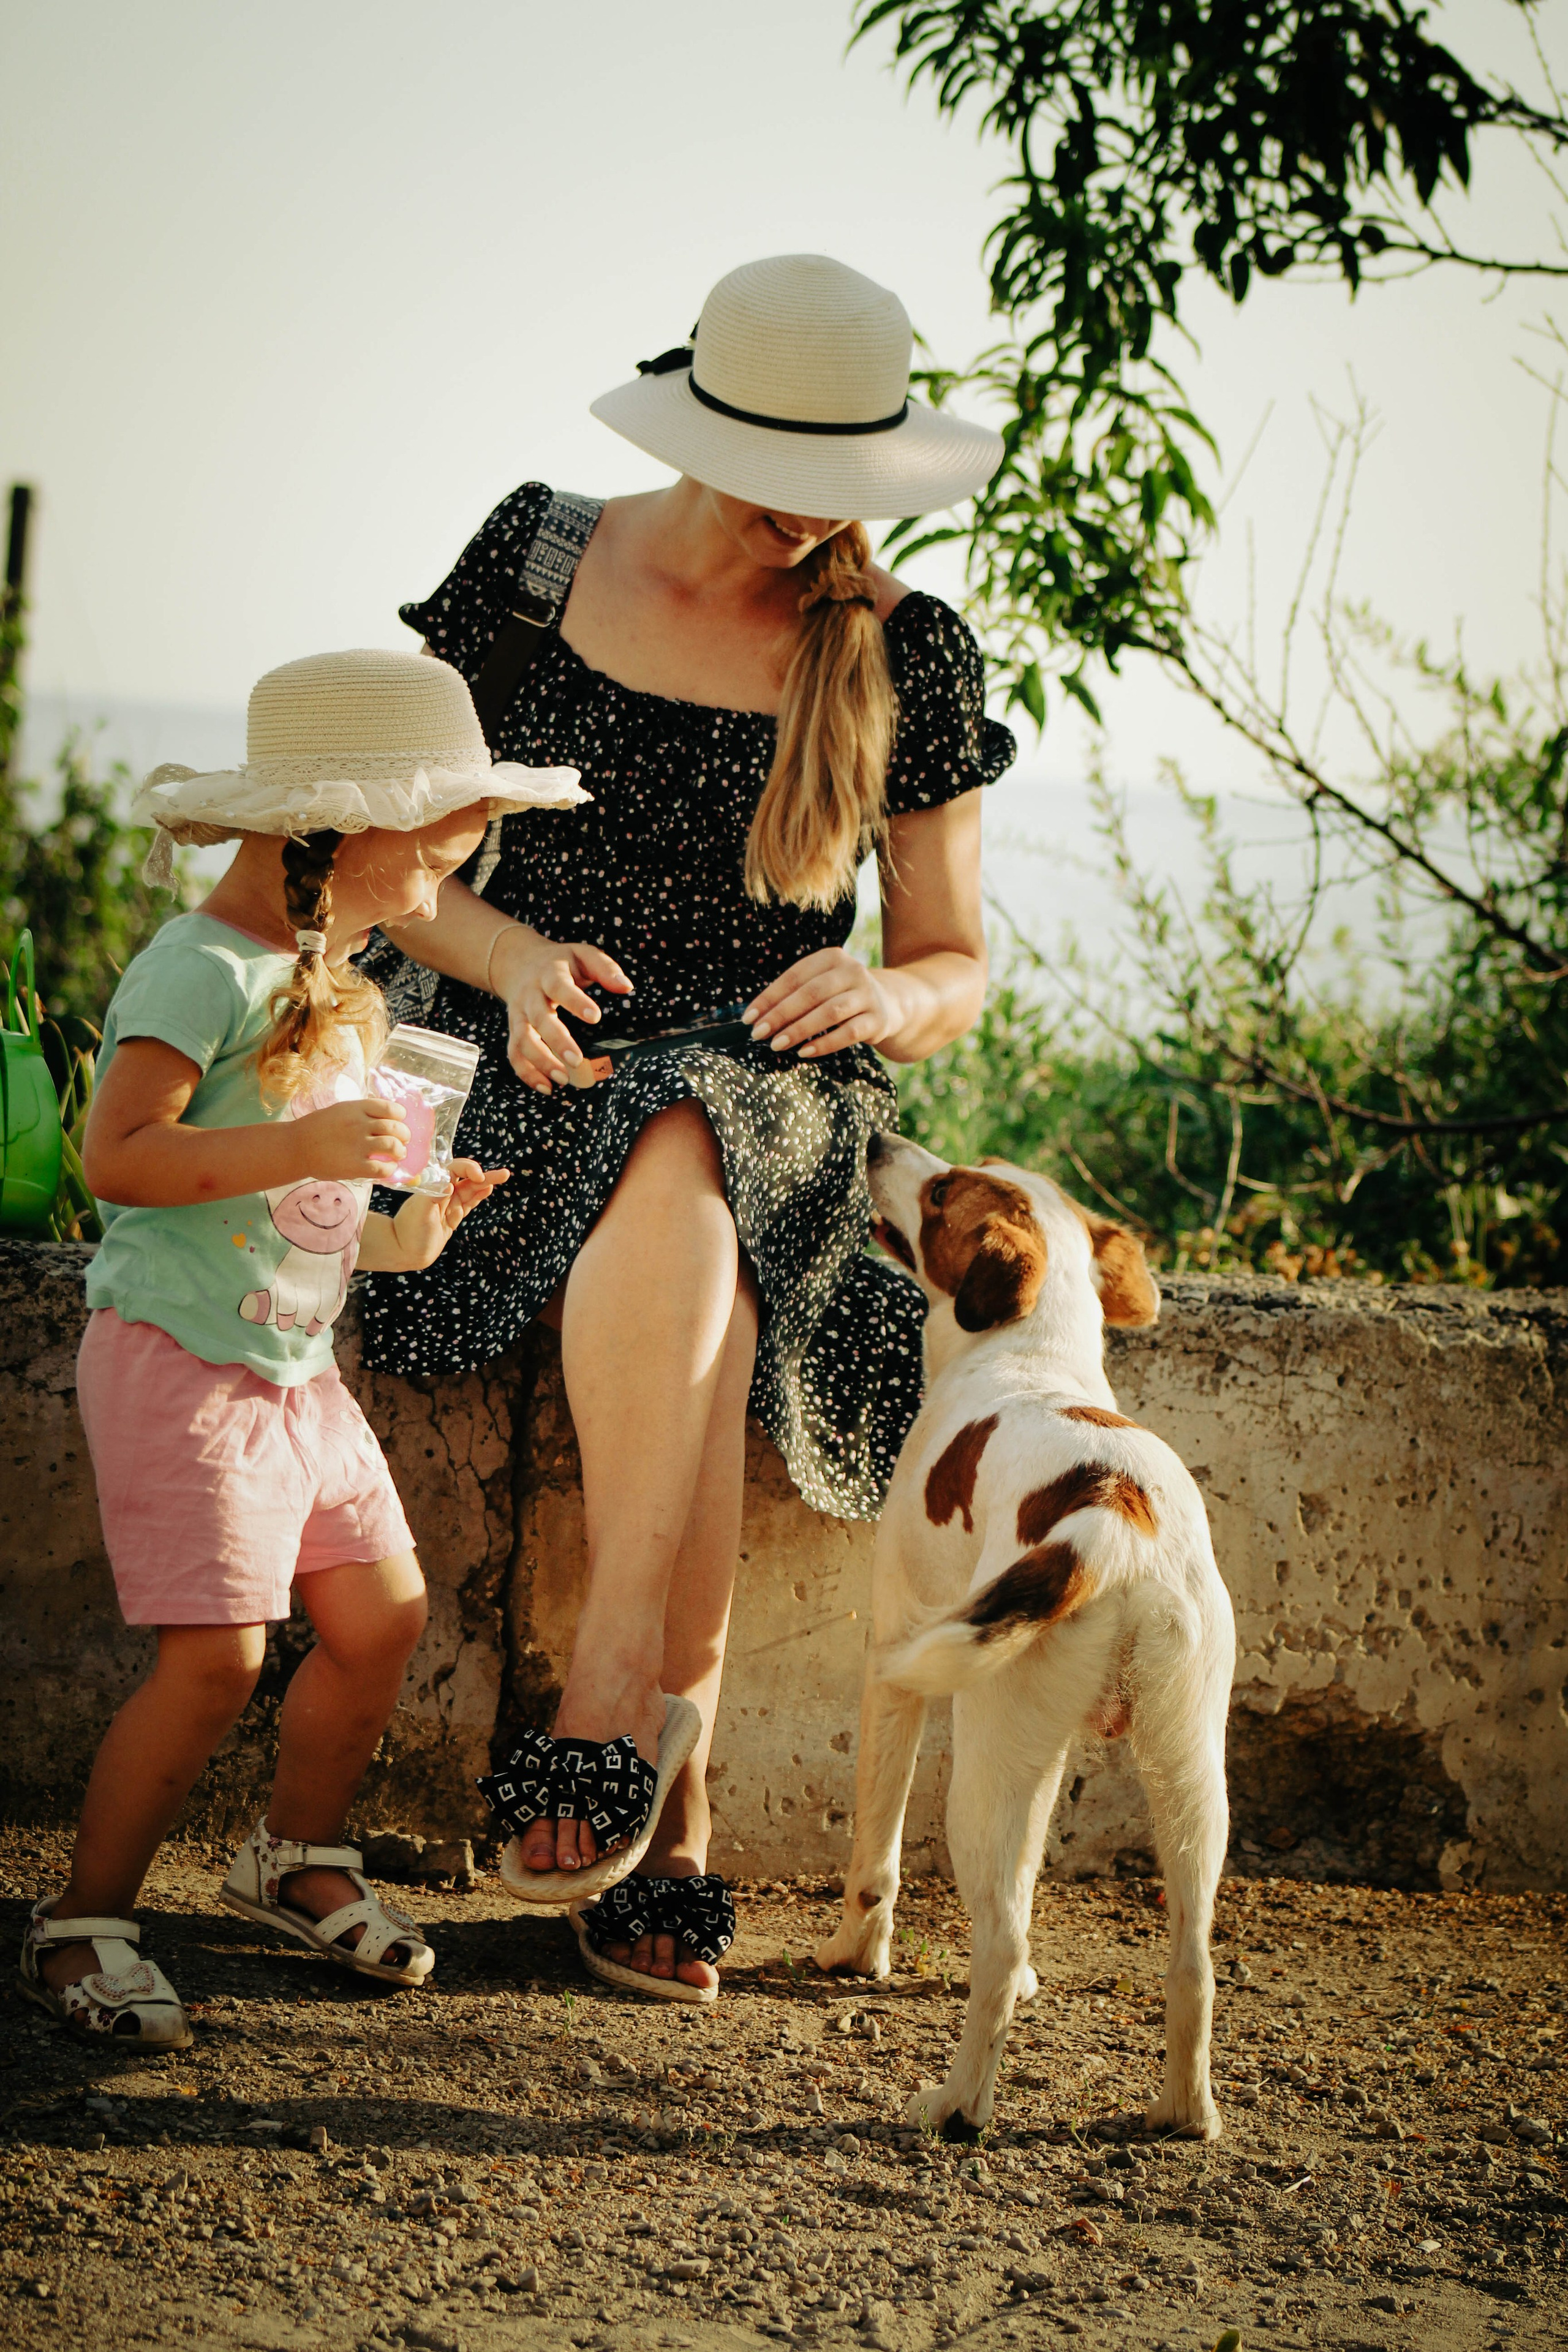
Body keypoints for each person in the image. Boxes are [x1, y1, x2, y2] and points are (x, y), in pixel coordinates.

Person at [359, 254, 1016, 2002]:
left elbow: (953, 961)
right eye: (769, 471)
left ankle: (604, 1710)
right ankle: (681, 1807)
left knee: (694, 1127)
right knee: (678, 1161)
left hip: (769, 1079)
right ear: (692, 426)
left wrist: (885, 995)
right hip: (513, 1050)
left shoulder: (909, 648)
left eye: (835, 478)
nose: (805, 513)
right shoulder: (534, 557)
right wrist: (508, 959)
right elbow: (385, 858)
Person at [18, 649, 583, 2048]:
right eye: (438, 852)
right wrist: (306, 1141)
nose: (446, 887)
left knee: (382, 1618)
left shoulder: (332, 983)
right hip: (180, 1364)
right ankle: (82, 1921)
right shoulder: (199, 965)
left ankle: (292, 1856)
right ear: (339, 830)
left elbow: (316, 1216)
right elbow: (118, 1157)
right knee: (215, 1661)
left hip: (296, 1375)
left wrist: (415, 1226)